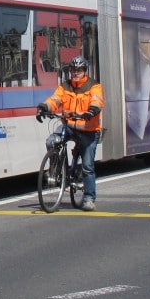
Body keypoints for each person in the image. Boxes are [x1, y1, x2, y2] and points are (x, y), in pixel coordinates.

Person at [37, 54, 105, 210]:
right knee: (52, 141)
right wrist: (44, 107)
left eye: (79, 70)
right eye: (73, 70)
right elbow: (55, 99)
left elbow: (97, 100)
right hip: (68, 126)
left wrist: (92, 110)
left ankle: (88, 199)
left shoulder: (94, 86)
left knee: (87, 166)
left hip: (88, 129)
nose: (75, 73)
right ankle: (55, 172)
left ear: (84, 71)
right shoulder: (65, 86)